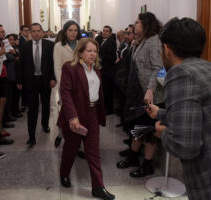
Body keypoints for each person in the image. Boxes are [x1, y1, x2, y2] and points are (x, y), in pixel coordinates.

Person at [146, 17, 211, 200]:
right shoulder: (210, 68)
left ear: (166, 49)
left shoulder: (179, 74)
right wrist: (162, 113)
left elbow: (186, 147)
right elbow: (206, 115)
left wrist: (162, 134)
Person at [58, 38, 115, 200]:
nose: (92, 54)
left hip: (92, 113)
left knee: (94, 152)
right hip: (76, 114)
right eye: (89, 50)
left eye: (95, 51)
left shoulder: (96, 69)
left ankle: (98, 187)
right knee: (71, 149)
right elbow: (65, 93)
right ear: (80, 52)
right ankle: (64, 174)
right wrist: (72, 116)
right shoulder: (70, 67)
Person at [116, 12, 164, 178]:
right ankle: (133, 156)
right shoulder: (141, 41)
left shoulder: (154, 41)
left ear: (146, 24)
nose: (134, 25)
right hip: (139, 93)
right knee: (138, 126)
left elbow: (159, 68)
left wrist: (150, 89)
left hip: (152, 95)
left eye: (137, 23)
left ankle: (148, 164)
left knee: (149, 129)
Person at [19, 23, 56, 147]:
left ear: (42, 32)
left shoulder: (50, 45)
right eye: (33, 31)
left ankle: (45, 125)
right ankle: (31, 136)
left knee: (46, 104)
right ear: (30, 32)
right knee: (32, 109)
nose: (36, 33)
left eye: (38, 31)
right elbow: (21, 65)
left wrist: (53, 78)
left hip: (45, 80)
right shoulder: (25, 46)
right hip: (31, 81)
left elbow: (53, 64)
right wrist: (19, 81)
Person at [52, 20, 81, 147]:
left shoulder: (82, 44)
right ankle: (60, 135)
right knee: (67, 113)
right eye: (70, 30)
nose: (73, 33)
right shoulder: (59, 46)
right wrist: (62, 85)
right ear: (65, 31)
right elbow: (57, 67)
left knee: (79, 113)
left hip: (80, 85)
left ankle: (77, 145)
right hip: (66, 85)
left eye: (75, 30)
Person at [96, 25, 117, 115]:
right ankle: (104, 107)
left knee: (108, 90)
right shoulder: (100, 41)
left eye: (107, 31)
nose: (104, 32)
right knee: (103, 89)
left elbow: (112, 56)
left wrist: (100, 57)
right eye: (104, 31)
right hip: (101, 69)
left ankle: (110, 109)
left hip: (108, 70)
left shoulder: (112, 42)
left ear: (110, 33)